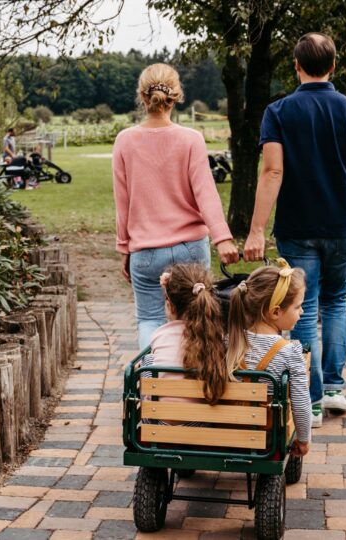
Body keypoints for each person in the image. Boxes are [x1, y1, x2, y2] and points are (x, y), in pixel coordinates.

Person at [244, 32, 346, 427]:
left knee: (301, 307)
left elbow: (272, 170)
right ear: (333, 66)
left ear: (296, 65)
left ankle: (312, 398)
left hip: (297, 226)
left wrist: (256, 230)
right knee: (335, 302)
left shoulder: (280, 112)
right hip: (343, 227)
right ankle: (335, 388)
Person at [113, 63, 238, 350]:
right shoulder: (190, 139)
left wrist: (124, 248)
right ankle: (195, 383)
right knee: (198, 318)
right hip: (191, 247)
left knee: (149, 320)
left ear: (142, 97)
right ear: (176, 96)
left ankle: (152, 387)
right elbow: (206, 193)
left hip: (145, 251)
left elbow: (123, 202)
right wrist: (222, 238)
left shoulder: (124, 140)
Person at [226, 259, 311, 456]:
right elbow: (301, 402)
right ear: (275, 312)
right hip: (266, 440)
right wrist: (304, 439)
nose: (302, 311)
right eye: (298, 307)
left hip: (225, 429)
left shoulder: (228, 342)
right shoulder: (290, 352)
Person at [141, 263, 227, 417]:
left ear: (170, 306)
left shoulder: (160, 335)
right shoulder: (218, 336)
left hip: (159, 429)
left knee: (147, 361)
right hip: (206, 426)